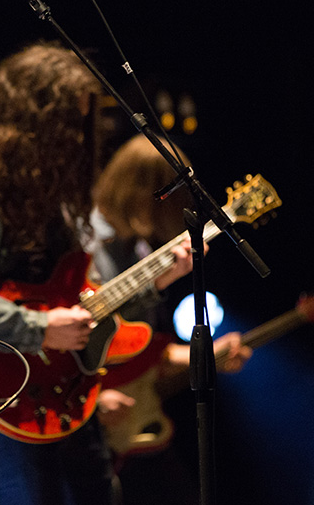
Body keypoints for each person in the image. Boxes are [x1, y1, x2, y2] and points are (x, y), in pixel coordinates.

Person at [0, 42, 195, 505]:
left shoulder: (60, 196)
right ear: (31, 118)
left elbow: (88, 305)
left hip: (70, 394)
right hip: (5, 394)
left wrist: (155, 283)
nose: (79, 138)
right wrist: (39, 328)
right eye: (68, 123)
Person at [89, 134, 251, 505]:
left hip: (129, 417)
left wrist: (209, 353)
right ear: (144, 191)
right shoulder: (84, 243)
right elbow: (66, 336)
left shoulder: (142, 249)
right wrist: (93, 400)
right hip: (83, 413)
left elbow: (142, 349)